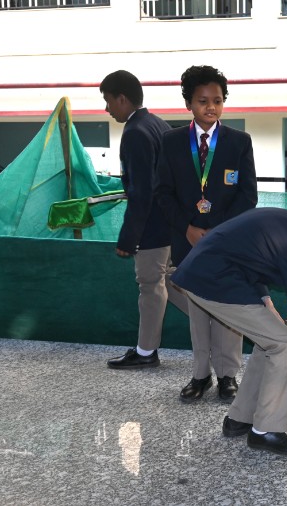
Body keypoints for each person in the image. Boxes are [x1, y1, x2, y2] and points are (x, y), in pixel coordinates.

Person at [171, 200, 287, 455]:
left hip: (210, 274)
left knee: (271, 340)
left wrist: (266, 302)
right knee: (284, 343)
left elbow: (251, 256)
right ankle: (267, 431)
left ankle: (240, 418)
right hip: (214, 281)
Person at [155, 65, 258, 403]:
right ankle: (200, 374)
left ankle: (228, 375)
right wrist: (188, 227)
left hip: (226, 241)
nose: (210, 107)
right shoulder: (170, 142)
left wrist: (217, 231)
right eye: (202, 101)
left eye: (217, 100)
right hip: (187, 240)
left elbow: (248, 195)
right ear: (189, 103)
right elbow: (163, 193)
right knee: (198, 309)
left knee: (228, 307)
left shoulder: (239, 142)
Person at [101, 70, 188, 370]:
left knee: (150, 286)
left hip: (153, 226)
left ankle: (146, 352)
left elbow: (141, 191)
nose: (107, 109)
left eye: (108, 101)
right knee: (171, 282)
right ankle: (219, 326)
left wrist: (128, 238)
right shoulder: (157, 124)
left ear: (122, 99)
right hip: (172, 222)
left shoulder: (136, 132)